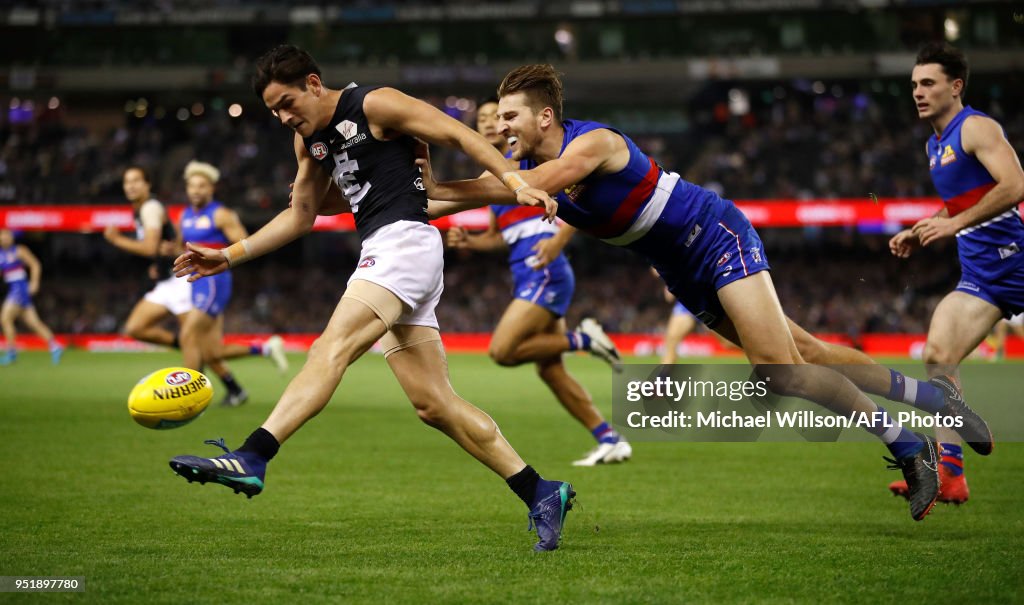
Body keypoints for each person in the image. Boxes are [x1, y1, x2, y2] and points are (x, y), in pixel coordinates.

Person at [421, 63, 994, 521]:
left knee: (778, 371)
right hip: (681, 269)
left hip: (715, 235)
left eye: (512, 118)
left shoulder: (589, 143)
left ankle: (907, 446)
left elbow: (523, 187)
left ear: (545, 116)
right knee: (809, 355)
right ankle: (936, 402)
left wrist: (451, 186)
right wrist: (415, 195)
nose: (502, 130)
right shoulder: (530, 168)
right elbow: (487, 193)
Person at [168, 45, 574, 551]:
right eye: (274, 111)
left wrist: (514, 180)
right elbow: (301, 215)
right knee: (434, 404)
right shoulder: (310, 143)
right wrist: (227, 255)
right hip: (397, 251)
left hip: (403, 243)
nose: (284, 117)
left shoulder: (374, 104)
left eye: (289, 102)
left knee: (330, 348)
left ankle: (254, 455)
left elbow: (457, 133)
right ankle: (540, 490)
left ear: (315, 84)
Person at [446, 96, 630, 467]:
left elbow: (581, 199)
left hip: (544, 269)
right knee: (550, 369)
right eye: (481, 118)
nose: (487, 123)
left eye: (495, 116)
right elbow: (501, 238)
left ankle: (584, 339)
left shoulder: (530, 161)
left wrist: (559, 240)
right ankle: (609, 438)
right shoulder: (494, 180)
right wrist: (471, 242)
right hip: (527, 270)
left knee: (502, 351)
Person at [886, 42, 1024, 504]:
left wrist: (952, 224)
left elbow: (1015, 185)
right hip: (983, 276)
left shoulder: (977, 127)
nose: (918, 93)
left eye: (928, 83)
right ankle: (950, 475)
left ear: (956, 86)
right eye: (914, 85)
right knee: (937, 354)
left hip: (1018, 258)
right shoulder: (934, 144)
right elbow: (965, 198)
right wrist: (922, 225)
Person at [175, 160, 289, 407]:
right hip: (196, 282)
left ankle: (189, 398)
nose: (196, 190)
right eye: (192, 186)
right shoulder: (184, 216)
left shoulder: (221, 214)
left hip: (215, 281)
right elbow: (180, 246)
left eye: (201, 186)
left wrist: (218, 253)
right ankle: (261, 354)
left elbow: (244, 244)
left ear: (211, 188)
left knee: (188, 333)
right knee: (211, 352)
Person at [105, 166, 192, 352]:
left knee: (200, 344)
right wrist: (159, 261)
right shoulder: (141, 209)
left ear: (147, 184)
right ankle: (184, 345)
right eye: (127, 182)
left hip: (181, 280)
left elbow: (150, 247)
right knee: (135, 328)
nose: (131, 186)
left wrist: (116, 239)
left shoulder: (149, 208)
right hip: (166, 280)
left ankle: (257, 352)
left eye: (136, 181)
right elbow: (167, 238)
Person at [0, 229, 64, 365]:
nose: (5, 238)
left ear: (12, 237)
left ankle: (12, 353)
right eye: (2, 235)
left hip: (20, 289)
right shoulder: (1, 254)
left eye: (7, 235)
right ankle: (55, 346)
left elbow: (35, 264)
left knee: (5, 318)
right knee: (34, 323)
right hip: (13, 288)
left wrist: (34, 282)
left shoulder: (19, 250)